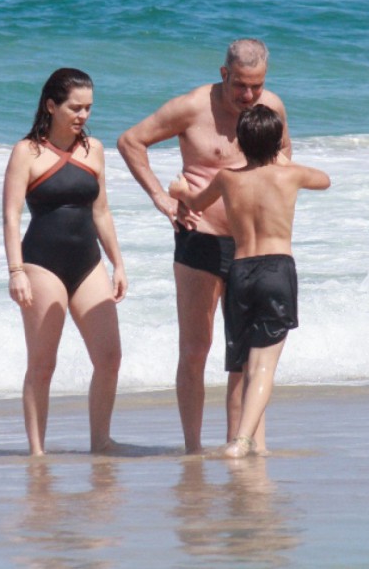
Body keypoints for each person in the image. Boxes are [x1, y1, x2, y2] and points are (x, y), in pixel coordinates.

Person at [118, 38, 291, 454]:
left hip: (253, 247)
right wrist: (162, 197)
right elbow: (130, 141)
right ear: (223, 74)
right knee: (196, 349)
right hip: (201, 242)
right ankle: (193, 450)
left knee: (245, 355)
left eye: (257, 86)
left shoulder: (272, 107)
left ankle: (242, 445)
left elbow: (284, 155)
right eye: (241, 86)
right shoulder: (192, 107)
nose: (249, 96)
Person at [169, 106, 329, 457]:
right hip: (276, 269)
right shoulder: (290, 176)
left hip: (240, 271)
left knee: (245, 363)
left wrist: (179, 190)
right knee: (264, 366)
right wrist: (282, 160)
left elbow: (195, 201)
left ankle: (247, 442)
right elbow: (325, 179)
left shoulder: (228, 178)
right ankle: (243, 441)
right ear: (278, 145)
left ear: (239, 142)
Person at [2, 68, 126, 456]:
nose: (83, 116)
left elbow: (101, 212)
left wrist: (118, 263)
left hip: (88, 263)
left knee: (109, 357)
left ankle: (100, 442)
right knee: (43, 364)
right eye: (75, 107)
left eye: (88, 108)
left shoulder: (95, 150)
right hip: (41, 264)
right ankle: (37, 453)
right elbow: (10, 215)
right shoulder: (27, 152)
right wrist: (16, 270)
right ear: (51, 105)